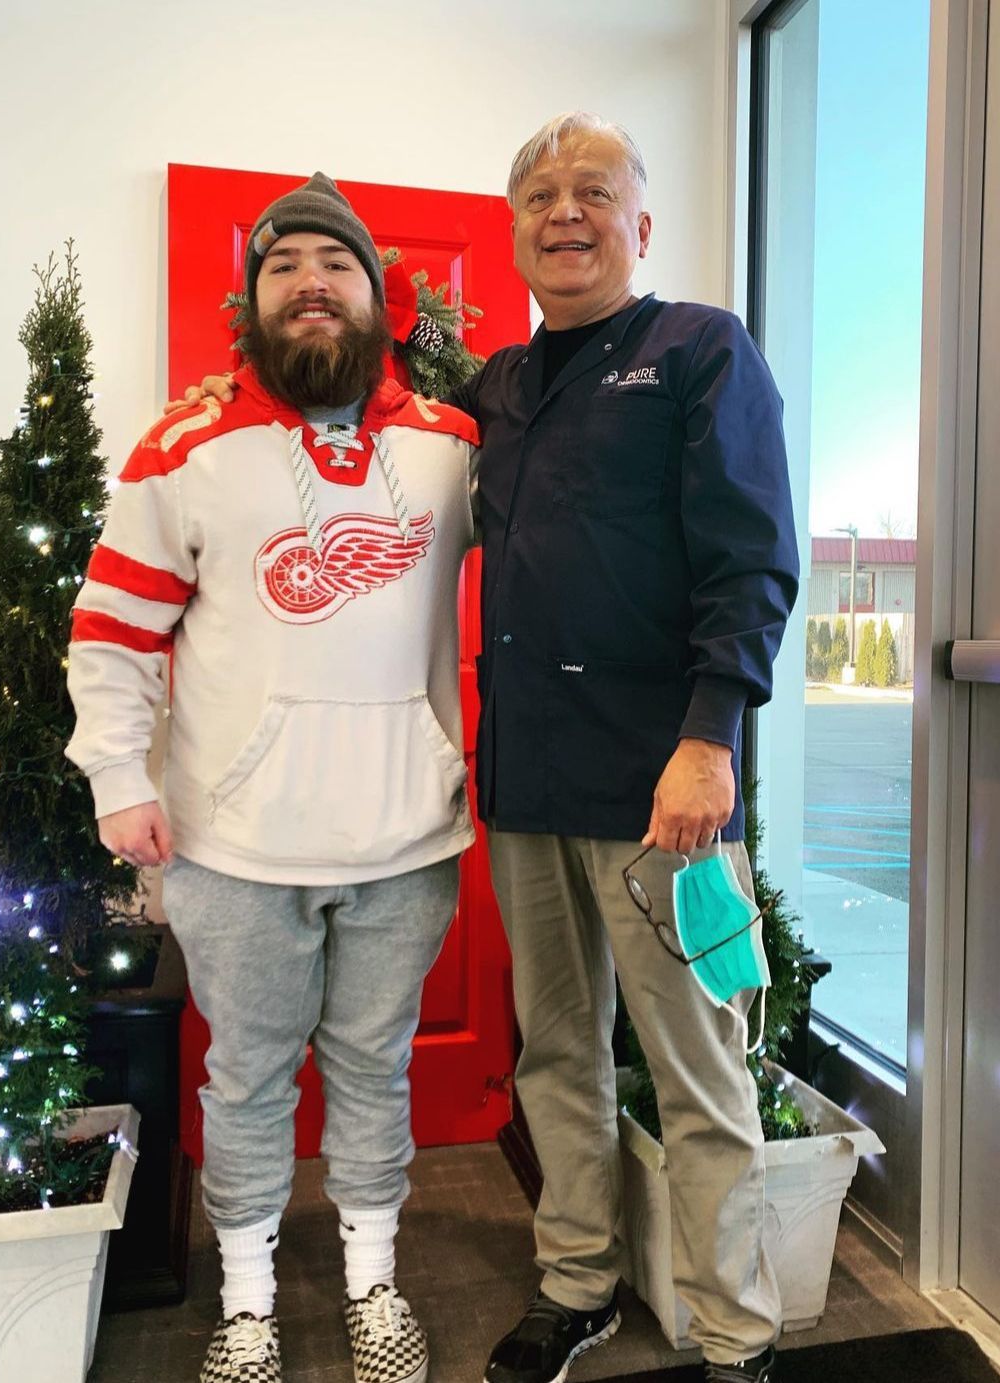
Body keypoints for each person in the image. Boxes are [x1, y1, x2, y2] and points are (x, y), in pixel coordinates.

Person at [181, 112, 798, 1383]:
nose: (565, 213)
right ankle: (577, 1284)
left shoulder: (700, 353)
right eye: (540, 196)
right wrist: (227, 397)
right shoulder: (497, 394)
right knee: (556, 1053)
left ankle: (737, 1336)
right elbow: (362, 434)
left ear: (641, 223)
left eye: (594, 192)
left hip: (666, 794)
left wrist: (711, 739)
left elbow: (749, 563)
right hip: (522, 791)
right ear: (514, 232)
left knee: (695, 1066)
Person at [66, 172, 480, 1383]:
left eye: (335, 264)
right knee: (244, 1077)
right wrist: (116, 784)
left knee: (374, 1066)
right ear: (250, 300)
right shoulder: (184, 445)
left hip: (407, 840)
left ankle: (371, 1278)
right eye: (282, 263)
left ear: (378, 298)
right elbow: (114, 635)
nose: (310, 281)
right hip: (234, 844)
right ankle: (247, 1300)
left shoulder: (453, 450)